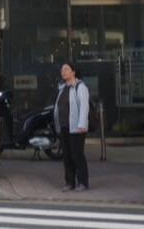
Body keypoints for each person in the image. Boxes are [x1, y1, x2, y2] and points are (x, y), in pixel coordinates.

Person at [53, 61, 90, 192]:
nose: (63, 72)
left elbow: (84, 107)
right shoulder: (62, 88)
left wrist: (82, 124)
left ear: (73, 71)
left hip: (76, 128)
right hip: (64, 127)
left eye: (67, 69)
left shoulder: (80, 87)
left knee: (77, 155)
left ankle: (83, 182)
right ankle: (70, 182)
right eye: (62, 70)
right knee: (67, 156)